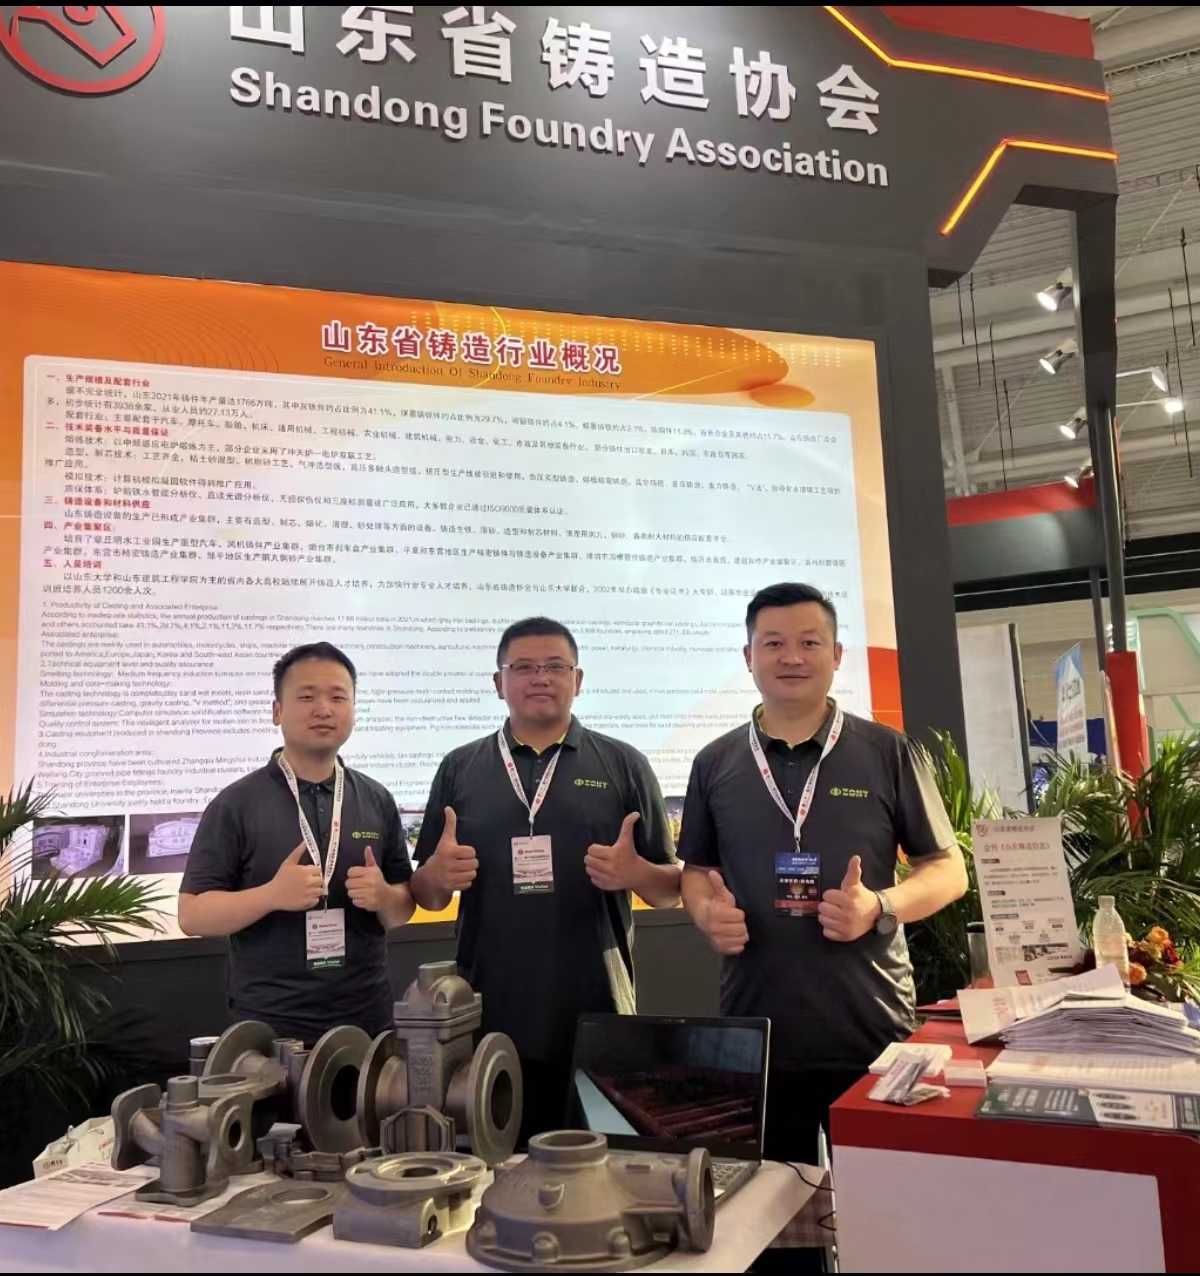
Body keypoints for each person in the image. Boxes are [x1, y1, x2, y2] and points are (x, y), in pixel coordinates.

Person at [679, 582, 966, 1169]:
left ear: (836, 655)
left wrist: (879, 906)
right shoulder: (715, 763)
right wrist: (706, 914)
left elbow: (948, 869)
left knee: (884, 1203)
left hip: (871, 1026)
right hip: (758, 1032)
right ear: (749, 657)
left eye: (809, 642)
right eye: (773, 643)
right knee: (770, 1211)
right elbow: (698, 872)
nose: (791, 657)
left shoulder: (887, 751)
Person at [410, 616, 681, 1144]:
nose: (540, 677)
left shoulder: (623, 764)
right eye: (524, 667)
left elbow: (669, 890)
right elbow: (428, 893)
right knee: (500, 1163)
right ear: (499, 683)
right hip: (489, 1008)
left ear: (577, 680)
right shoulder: (460, 768)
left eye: (555, 666)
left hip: (597, 1008)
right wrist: (435, 878)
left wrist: (637, 873)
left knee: (602, 1163)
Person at [179, 642, 414, 1044]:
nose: (323, 709)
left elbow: (402, 910)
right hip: (270, 1028)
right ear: (277, 711)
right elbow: (192, 915)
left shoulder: (376, 799)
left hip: (367, 1021)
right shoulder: (236, 803)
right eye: (306, 697)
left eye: (338, 697)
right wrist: (270, 895)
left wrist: (385, 897)